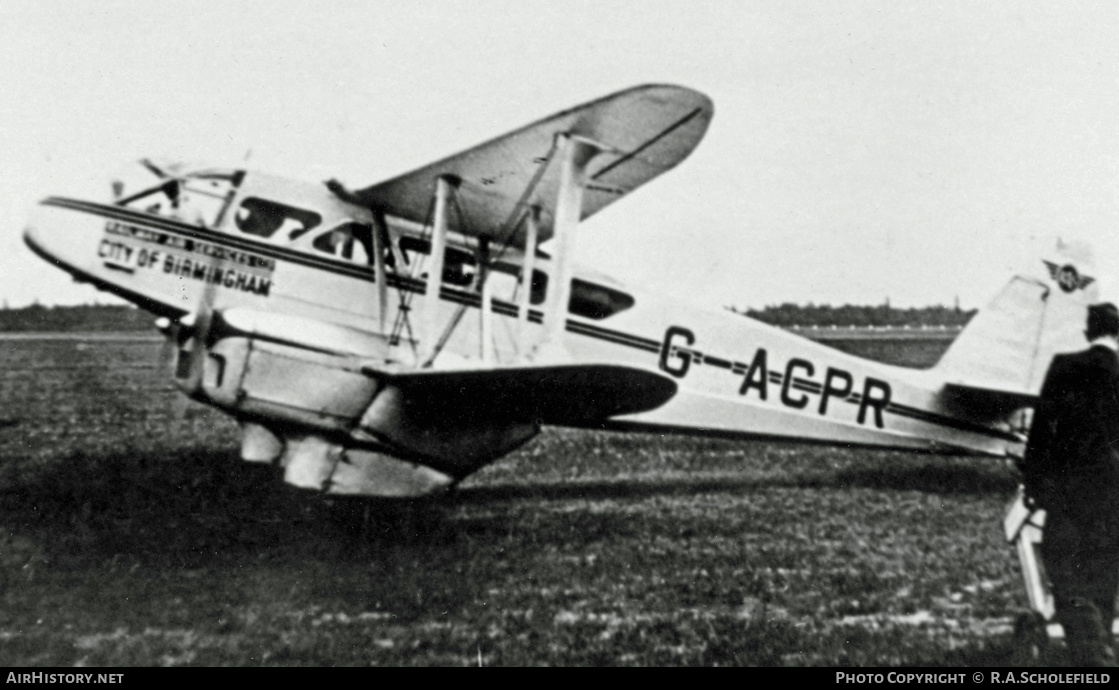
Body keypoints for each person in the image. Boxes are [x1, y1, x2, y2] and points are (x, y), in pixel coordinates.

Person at [1023, 302, 1119, 666]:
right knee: (1105, 567)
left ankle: (1089, 646)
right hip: (1111, 492)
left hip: (1064, 491)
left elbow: (1040, 432)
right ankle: (1101, 642)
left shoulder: (1063, 366)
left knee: (1065, 567)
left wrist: (1034, 483)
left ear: (1086, 332)